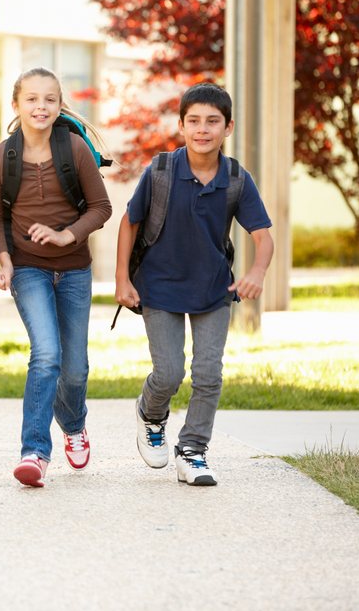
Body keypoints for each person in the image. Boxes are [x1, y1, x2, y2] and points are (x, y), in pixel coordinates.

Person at [115, 82, 274, 486]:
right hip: (159, 287)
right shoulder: (161, 171)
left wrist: (256, 273)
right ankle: (151, 413)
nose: (203, 129)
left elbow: (263, 237)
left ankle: (192, 450)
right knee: (169, 373)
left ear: (228, 127)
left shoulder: (236, 179)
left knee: (208, 374)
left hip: (213, 289)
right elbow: (129, 222)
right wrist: (121, 278)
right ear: (182, 126)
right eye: (195, 121)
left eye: (213, 121)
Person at [0, 67, 112, 487]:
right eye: (32, 99)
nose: (41, 106)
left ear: (59, 105)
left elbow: (102, 208)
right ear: (16, 105)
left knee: (74, 369)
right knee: (46, 354)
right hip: (27, 268)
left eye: (50, 99)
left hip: (74, 269)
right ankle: (34, 452)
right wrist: (5, 261)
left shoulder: (74, 149)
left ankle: (73, 425)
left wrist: (65, 235)